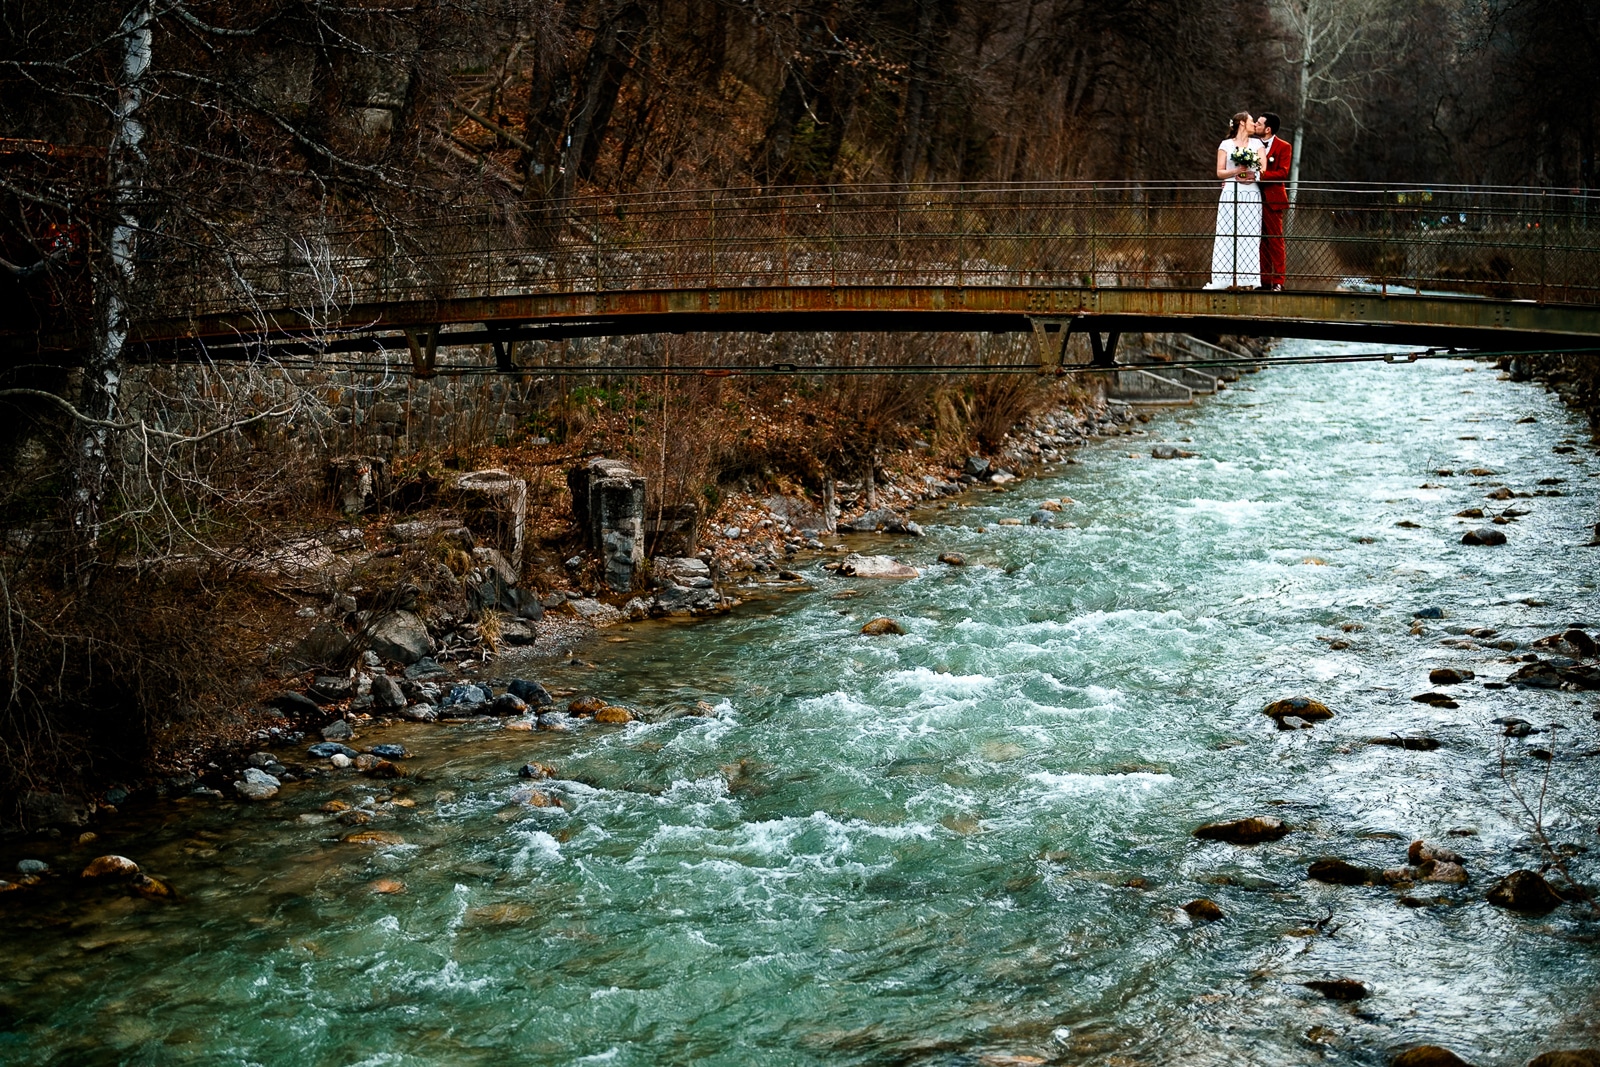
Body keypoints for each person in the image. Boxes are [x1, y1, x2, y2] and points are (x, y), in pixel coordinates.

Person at [1202, 112, 1265, 290]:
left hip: (1251, 193)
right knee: (1227, 233)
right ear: (1243, 123)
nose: (1255, 125)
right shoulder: (1226, 145)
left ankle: (1248, 281)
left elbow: (1263, 167)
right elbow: (1220, 172)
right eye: (1252, 121)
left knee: (1250, 235)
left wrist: (1253, 174)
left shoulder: (1257, 144)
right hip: (1231, 191)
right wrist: (1236, 172)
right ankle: (1225, 279)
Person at [1255, 112, 1292, 291]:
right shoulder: (1252, 145)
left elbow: (1283, 173)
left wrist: (1260, 176)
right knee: (1259, 241)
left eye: (1259, 123)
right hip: (1253, 198)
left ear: (1268, 129)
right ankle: (1264, 280)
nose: (1255, 125)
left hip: (1273, 199)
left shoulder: (1284, 147)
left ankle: (1278, 281)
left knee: (1275, 240)